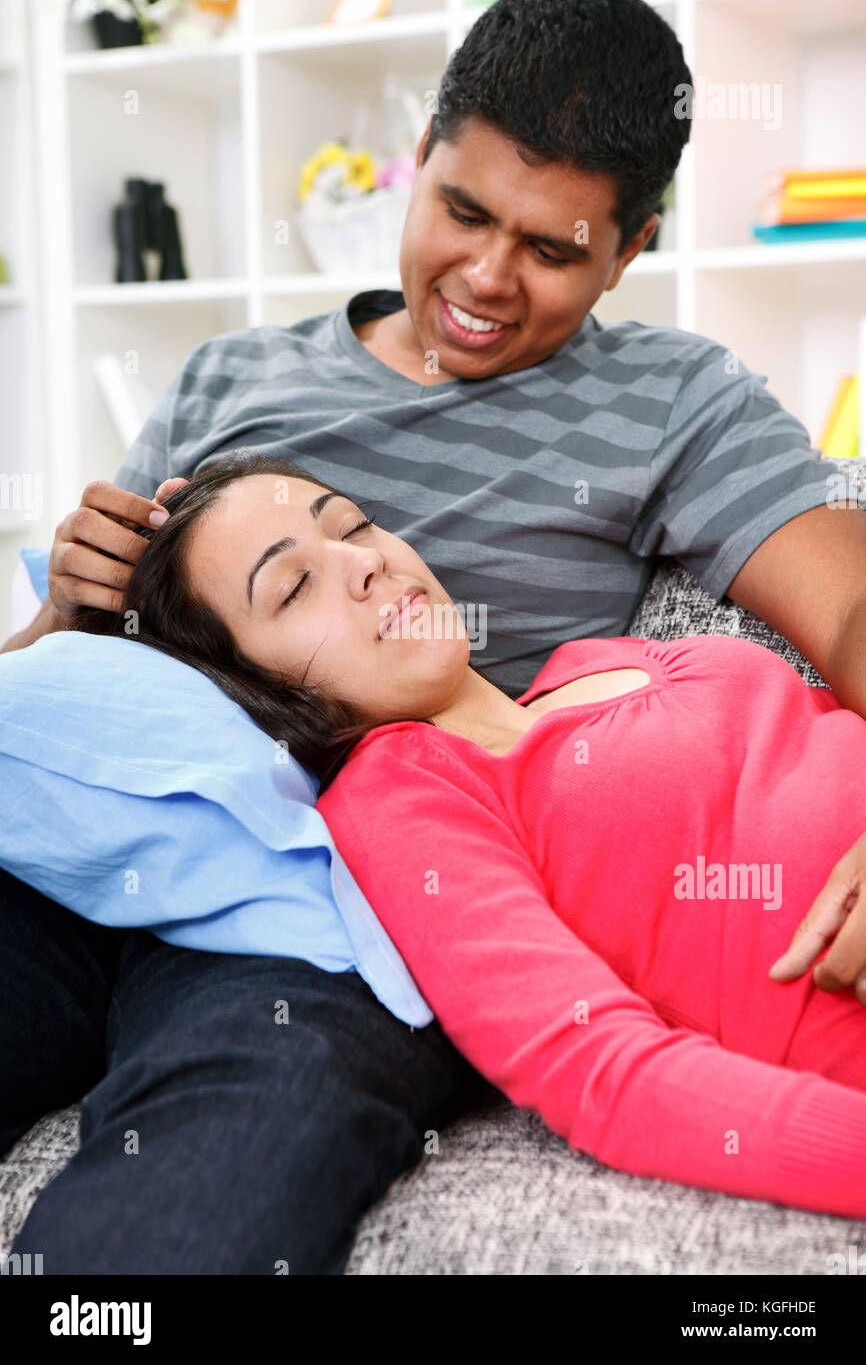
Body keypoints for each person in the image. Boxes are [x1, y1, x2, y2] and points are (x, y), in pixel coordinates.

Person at [5, 0, 866, 1269]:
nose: (482, 277)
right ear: (417, 158)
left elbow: (847, 604)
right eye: (459, 211)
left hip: (336, 914)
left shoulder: (676, 401)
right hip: (103, 846)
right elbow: (53, 697)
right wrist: (62, 615)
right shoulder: (227, 379)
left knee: (222, 1161)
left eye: (552, 249)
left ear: (628, 251)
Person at [70, 451, 866, 1220]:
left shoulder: (604, 660)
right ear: (257, 687)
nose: (364, 565)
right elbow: (603, 1074)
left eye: (353, 527)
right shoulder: (406, 794)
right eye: (295, 586)